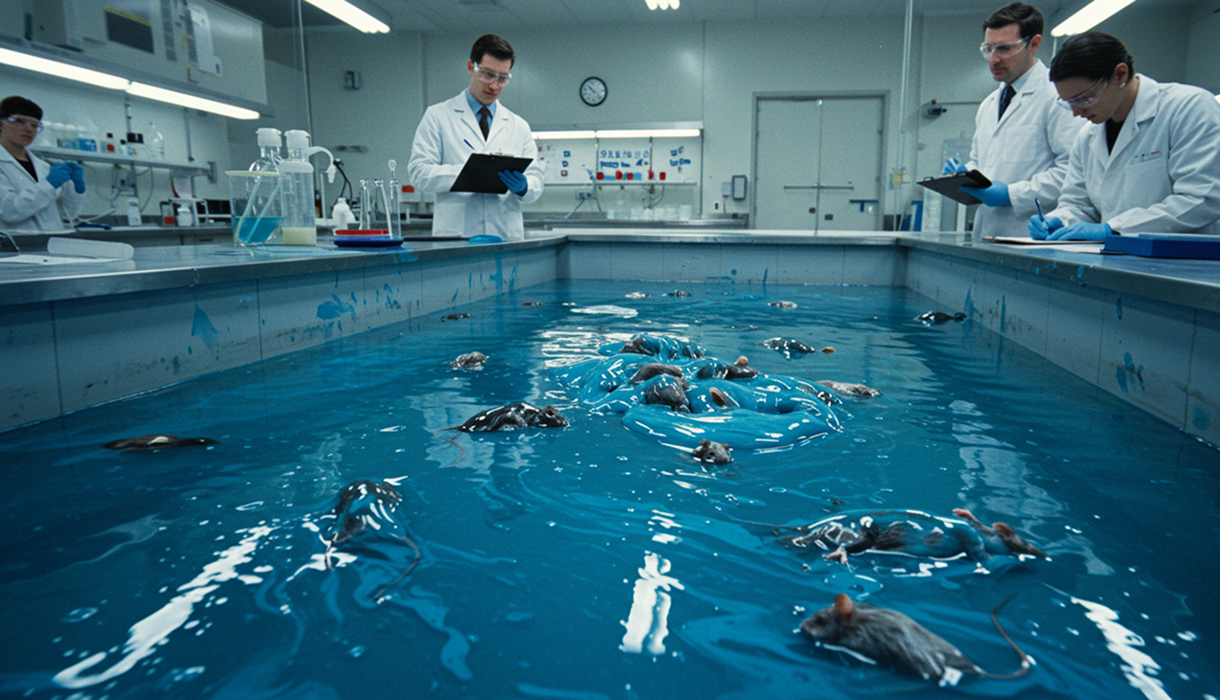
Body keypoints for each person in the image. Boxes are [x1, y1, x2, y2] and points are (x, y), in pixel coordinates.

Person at [1030, 31, 1220, 240]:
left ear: (1120, 74)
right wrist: (1061, 220)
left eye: (1084, 98)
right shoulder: (1087, 136)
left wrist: (1114, 228)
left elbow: (1203, 197)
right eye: (1069, 103)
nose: (1076, 112)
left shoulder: (1188, 108)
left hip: (1182, 263)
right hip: (1114, 261)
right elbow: (1079, 204)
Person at [943, 3, 1081, 239]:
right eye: (988, 49)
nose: (993, 59)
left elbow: (1073, 172)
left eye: (1004, 48)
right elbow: (981, 160)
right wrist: (967, 175)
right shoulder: (989, 104)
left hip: (1033, 236)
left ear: (1034, 44)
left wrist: (1011, 194)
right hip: (987, 233)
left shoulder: (1056, 96)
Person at [407, 34, 544, 241]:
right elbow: (419, 173)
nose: (494, 86)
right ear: (471, 68)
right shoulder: (438, 116)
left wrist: (524, 186)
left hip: (504, 236)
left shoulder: (519, 126)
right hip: (456, 237)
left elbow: (536, 180)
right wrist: (467, 173)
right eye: (488, 75)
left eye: (503, 78)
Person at [0, 95, 85, 233]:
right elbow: (9, 212)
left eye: (34, 125)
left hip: (51, 244)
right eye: (20, 121)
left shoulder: (44, 167)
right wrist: (49, 185)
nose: (28, 129)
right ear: (2, 123)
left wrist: (76, 189)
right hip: (16, 247)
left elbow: (66, 215)